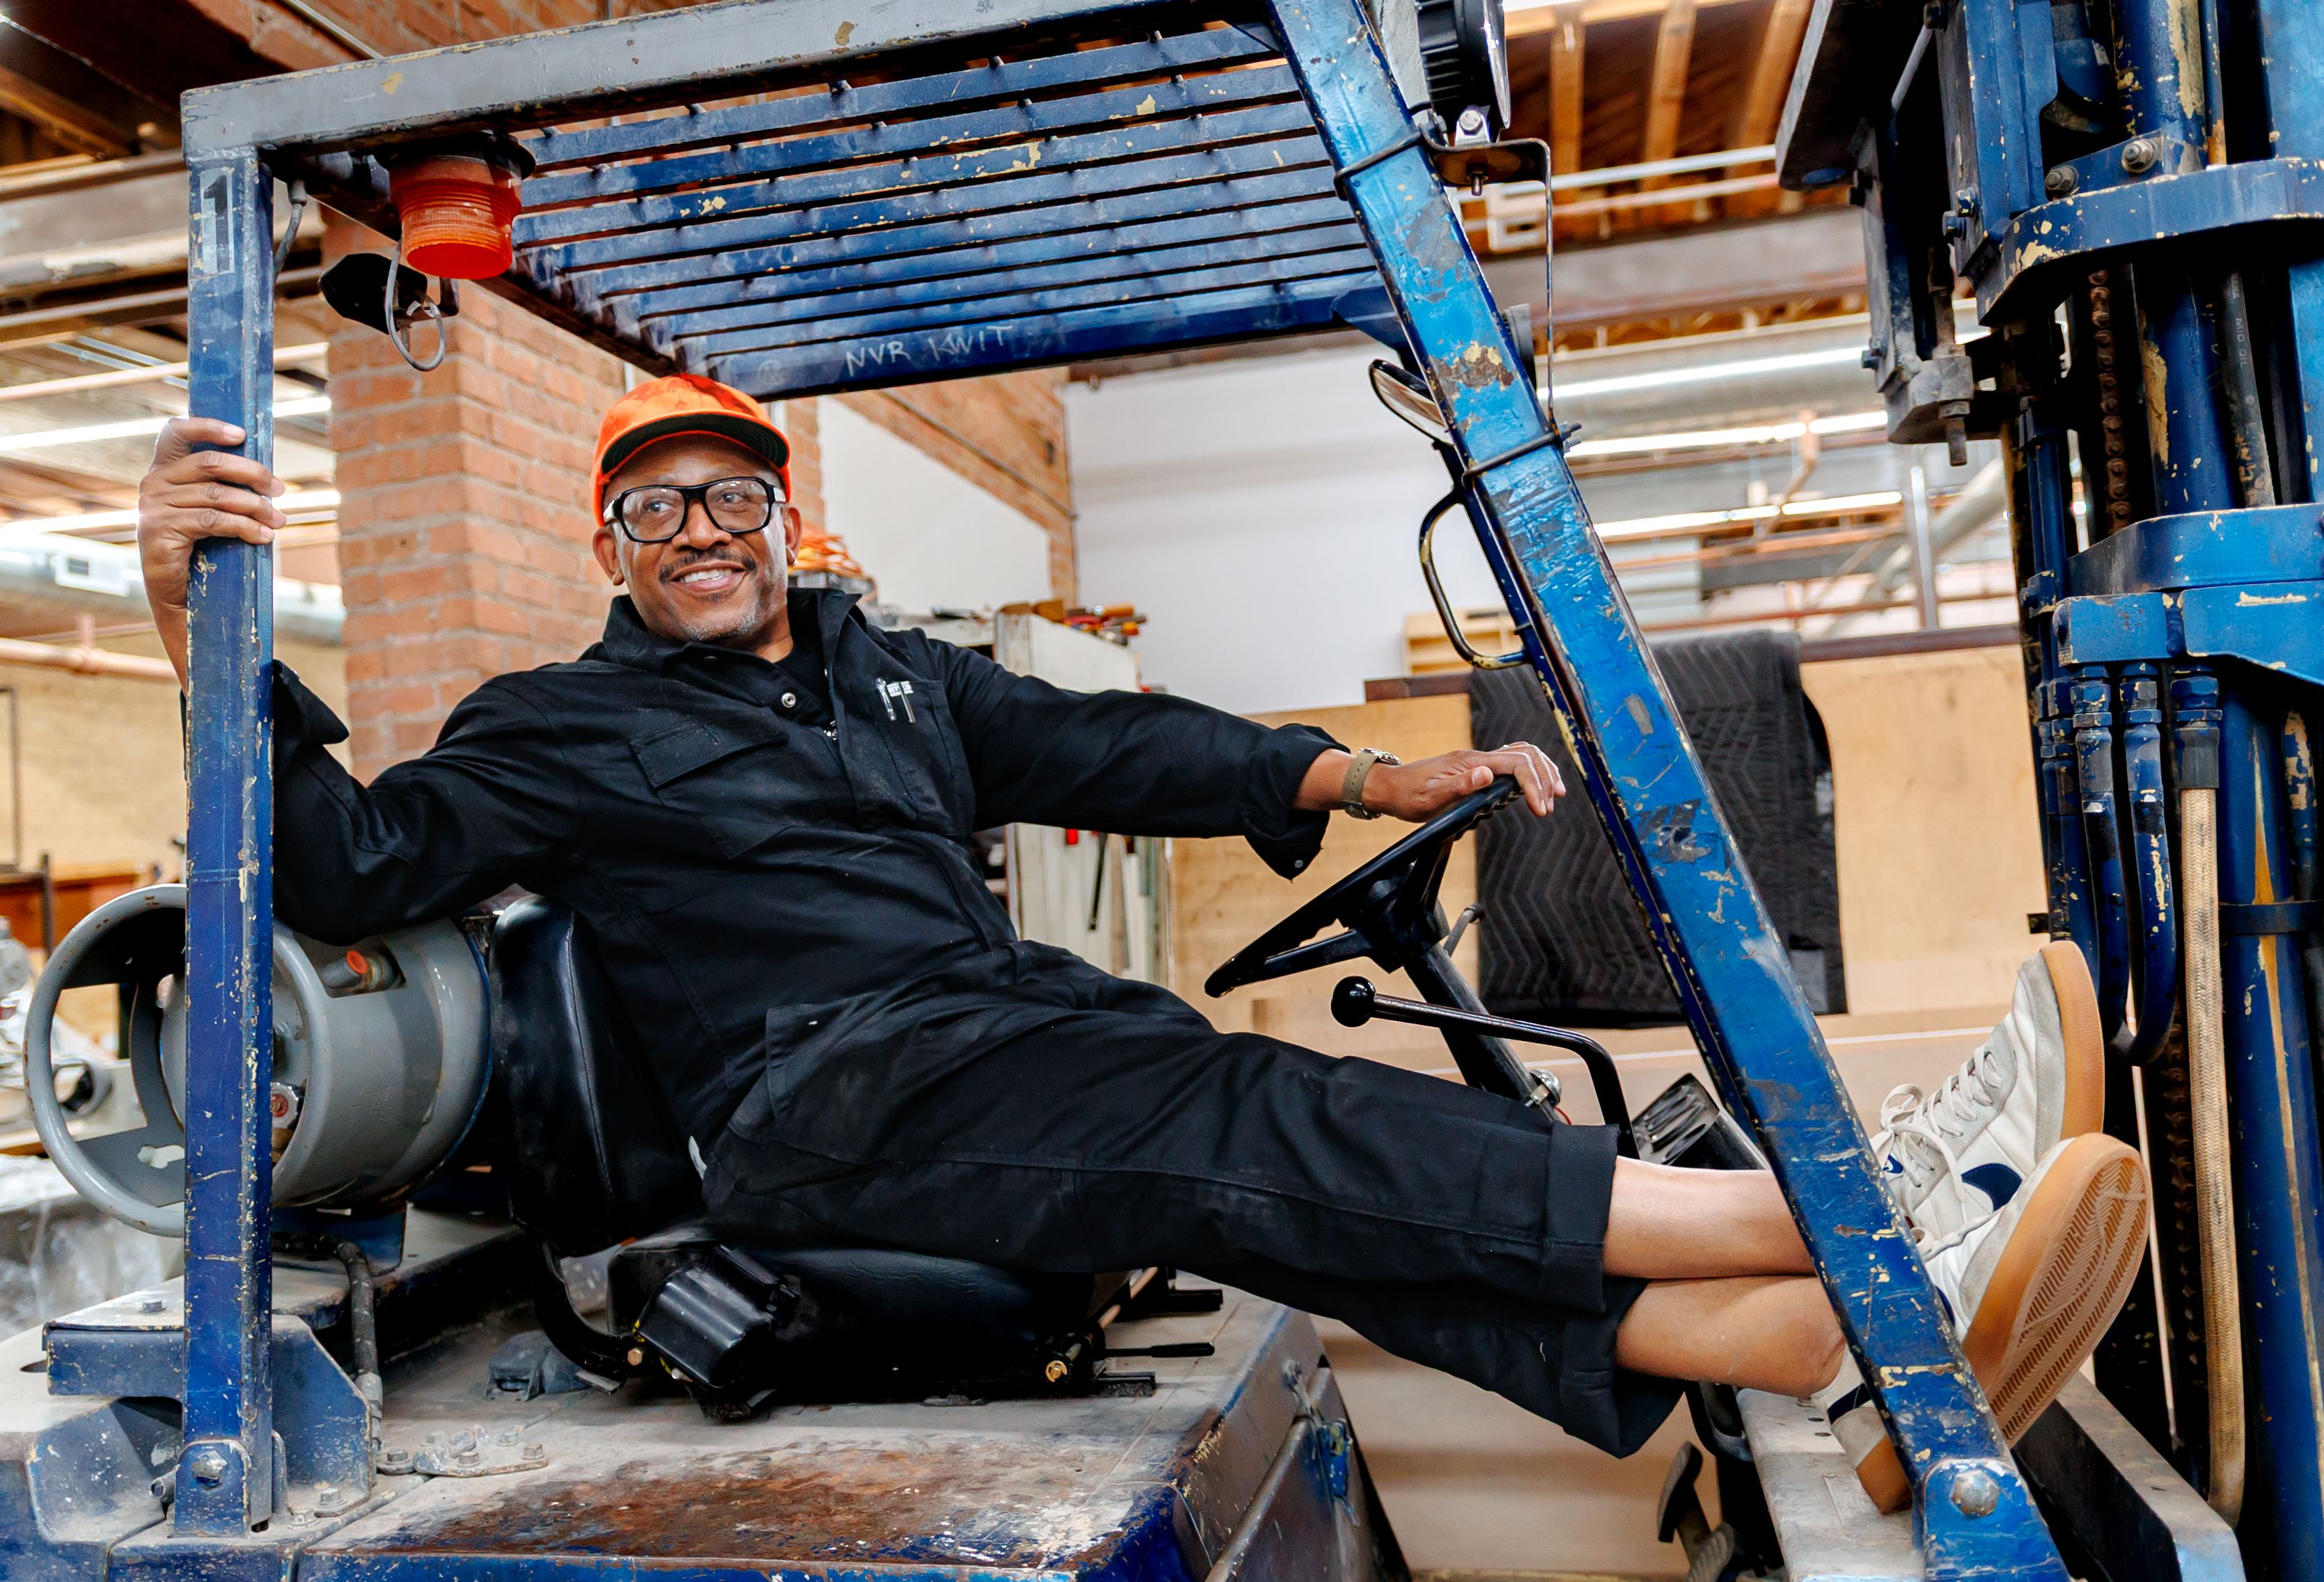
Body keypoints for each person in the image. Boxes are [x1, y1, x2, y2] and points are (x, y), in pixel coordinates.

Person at [136, 373, 2149, 1503]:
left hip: (985, 1034)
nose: (698, 534)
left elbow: (1112, 739)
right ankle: (1865, 1222)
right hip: (817, 1103)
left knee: (1269, 1188)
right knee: (1246, 1113)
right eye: (650, 511)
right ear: (611, 549)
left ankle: (1801, 1347)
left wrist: (1357, 778)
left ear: (779, 513)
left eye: (729, 493)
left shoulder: (891, 677)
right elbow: (338, 859)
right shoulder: (554, 732)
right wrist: (184, 613)